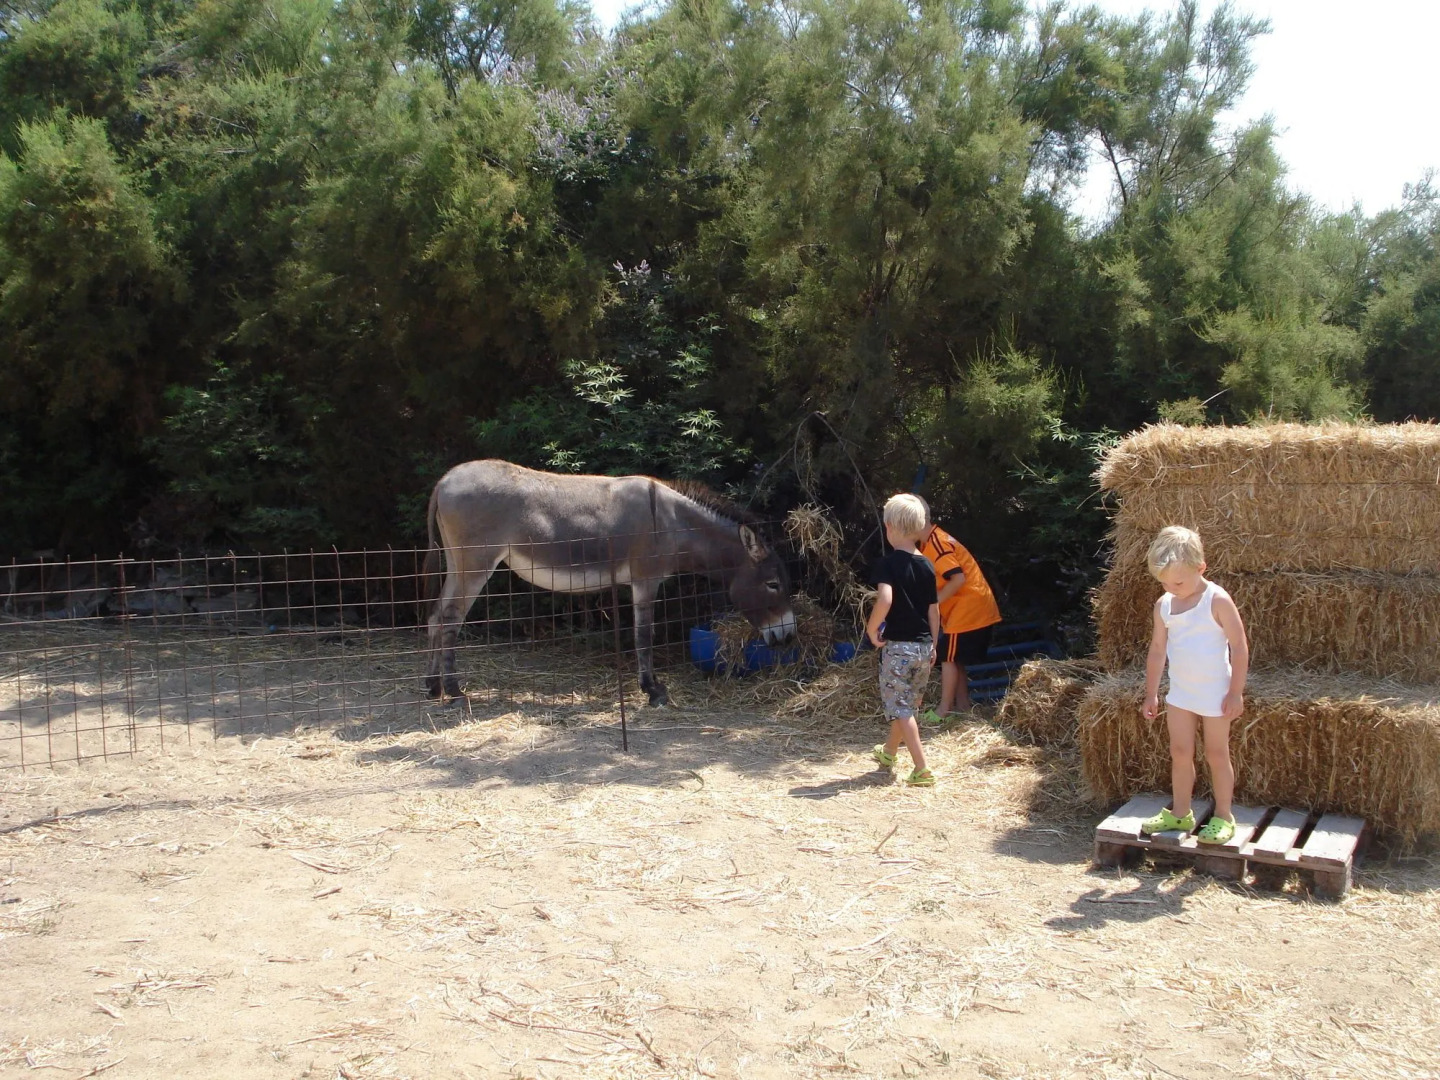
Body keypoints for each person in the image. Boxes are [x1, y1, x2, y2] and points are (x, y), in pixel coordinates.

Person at [1140, 526, 1250, 844]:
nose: (1171, 588)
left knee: (1217, 753)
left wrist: (1235, 692)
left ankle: (1224, 816)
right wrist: (1151, 693)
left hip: (1215, 695)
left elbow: (1239, 647)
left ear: (1201, 568)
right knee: (1180, 751)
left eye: (1178, 581)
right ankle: (1180, 813)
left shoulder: (1217, 600)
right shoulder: (1164, 605)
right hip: (1181, 694)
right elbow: (1158, 650)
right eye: (1163, 582)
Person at [866, 493, 941, 787]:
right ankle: (888, 753)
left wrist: (872, 629)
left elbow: (885, 599)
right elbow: (934, 610)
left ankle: (922, 769)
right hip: (924, 648)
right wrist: (934, 644)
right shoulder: (928, 565)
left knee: (900, 708)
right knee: (906, 704)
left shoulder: (888, 564)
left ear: (890, 527)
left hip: (898, 649)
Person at [917, 510, 1001, 721]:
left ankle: (944, 710)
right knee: (954, 657)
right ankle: (963, 707)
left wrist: (933, 602)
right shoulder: (930, 542)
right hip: (967, 609)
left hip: (968, 610)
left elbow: (957, 578)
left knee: (946, 657)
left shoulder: (937, 544)